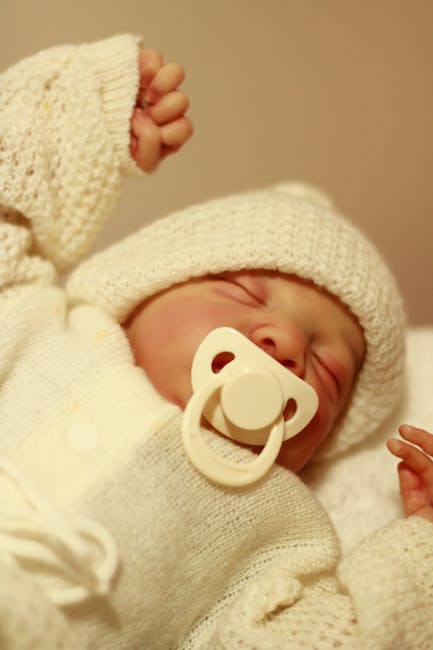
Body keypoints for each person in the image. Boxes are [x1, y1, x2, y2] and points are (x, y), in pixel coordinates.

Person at [0, 33, 432, 650]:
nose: (285, 342)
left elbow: (326, 639)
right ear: (145, 290)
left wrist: (422, 555)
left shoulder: (275, 531)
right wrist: (89, 118)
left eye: (327, 369)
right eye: (244, 294)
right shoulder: (38, 324)